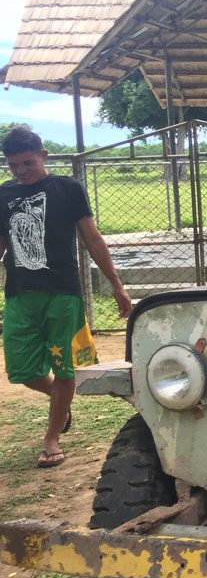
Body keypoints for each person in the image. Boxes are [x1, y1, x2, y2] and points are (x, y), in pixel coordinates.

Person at [0, 128, 132, 468]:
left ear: (43, 156)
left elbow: (92, 237)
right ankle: (61, 404)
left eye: (27, 163)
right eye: (14, 165)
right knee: (23, 372)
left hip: (62, 293)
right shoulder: (4, 194)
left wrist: (116, 285)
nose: (21, 171)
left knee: (64, 367)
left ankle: (52, 437)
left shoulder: (68, 189)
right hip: (18, 294)